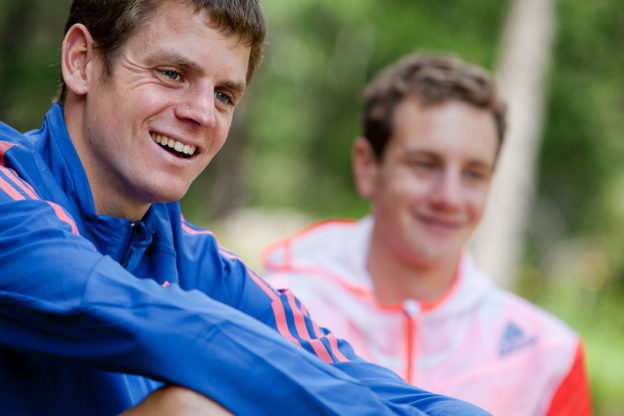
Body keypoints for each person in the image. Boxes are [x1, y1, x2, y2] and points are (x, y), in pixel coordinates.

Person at [0, 1, 492, 415]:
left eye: (224, 95)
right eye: (172, 74)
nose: (201, 113)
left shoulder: (190, 255)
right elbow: (164, 323)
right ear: (82, 61)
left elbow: (339, 369)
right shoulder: (10, 193)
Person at [263, 53, 593, 416]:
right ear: (367, 166)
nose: (449, 198)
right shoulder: (271, 313)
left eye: (474, 174)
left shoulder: (547, 357)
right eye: (425, 165)